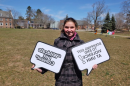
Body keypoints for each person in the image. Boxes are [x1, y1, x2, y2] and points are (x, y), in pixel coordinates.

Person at [32, 17, 98, 86]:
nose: (69, 30)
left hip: (76, 80)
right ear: (63, 27)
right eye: (67, 27)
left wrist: (91, 65)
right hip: (61, 80)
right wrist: (42, 68)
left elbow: (86, 60)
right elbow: (52, 59)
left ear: (76, 28)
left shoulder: (81, 43)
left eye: (72, 27)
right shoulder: (57, 41)